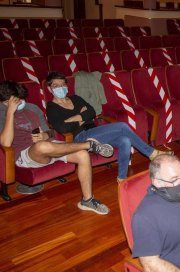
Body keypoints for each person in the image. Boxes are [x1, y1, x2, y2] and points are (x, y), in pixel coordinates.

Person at [0, 80, 111, 215]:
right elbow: (5, 143)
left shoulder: (33, 108)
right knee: (42, 146)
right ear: (6, 101)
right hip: (26, 155)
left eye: (21, 99)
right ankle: (89, 144)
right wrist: (10, 113)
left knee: (82, 155)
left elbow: (51, 132)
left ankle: (87, 200)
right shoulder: (2, 112)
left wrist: (45, 135)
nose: (20, 102)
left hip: (51, 147)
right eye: (15, 100)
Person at [45, 72, 173, 183]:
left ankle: (122, 178)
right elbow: (62, 127)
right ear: (50, 89)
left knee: (125, 140)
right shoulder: (51, 107)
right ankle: (151, 153)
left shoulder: (76, 98)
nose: (60, 88)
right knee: (122, 126)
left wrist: (74, 118)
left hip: (95, 131)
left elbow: (92, 112)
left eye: (62, 85)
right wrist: (82, 116)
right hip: (80, 138)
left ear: (67, 86)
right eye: (56, 86)